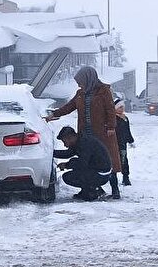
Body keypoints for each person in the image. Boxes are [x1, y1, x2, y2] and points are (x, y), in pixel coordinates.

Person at [45, 66, 123, 199]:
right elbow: (69, 107)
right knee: (86, 160)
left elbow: (110, 109)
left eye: (81, 81)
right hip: (85, 133)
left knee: (107, 160)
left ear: (88, 79)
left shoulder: (104, 91)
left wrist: (111, 126)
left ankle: (115, 189)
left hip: (102, 132)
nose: (79, 84)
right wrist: (54, 114)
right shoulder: (80, 93)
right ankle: (90, 189)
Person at [53, 126, 112, 201]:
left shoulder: (85, 144)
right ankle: (89, 190)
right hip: (96, 170)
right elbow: (68, 153)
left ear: (70, 137)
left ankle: (92, 191)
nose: (65, 145)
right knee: (77, 171)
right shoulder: (79, 141)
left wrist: (66, 165)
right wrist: (51, 153)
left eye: (64, 142)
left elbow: (82, 163)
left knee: (68, 177)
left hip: (101, 173)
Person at [114, 98, 135, 186]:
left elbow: (127, 131)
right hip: (114, 144)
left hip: (122, 144)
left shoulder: (125, 118)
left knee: (123, 160)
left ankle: (125, 177)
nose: (122, 109)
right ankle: (112, 177)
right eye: (120, 107)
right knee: (114, 160)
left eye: (123, 107)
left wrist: (130, 140)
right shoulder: (113, 118)